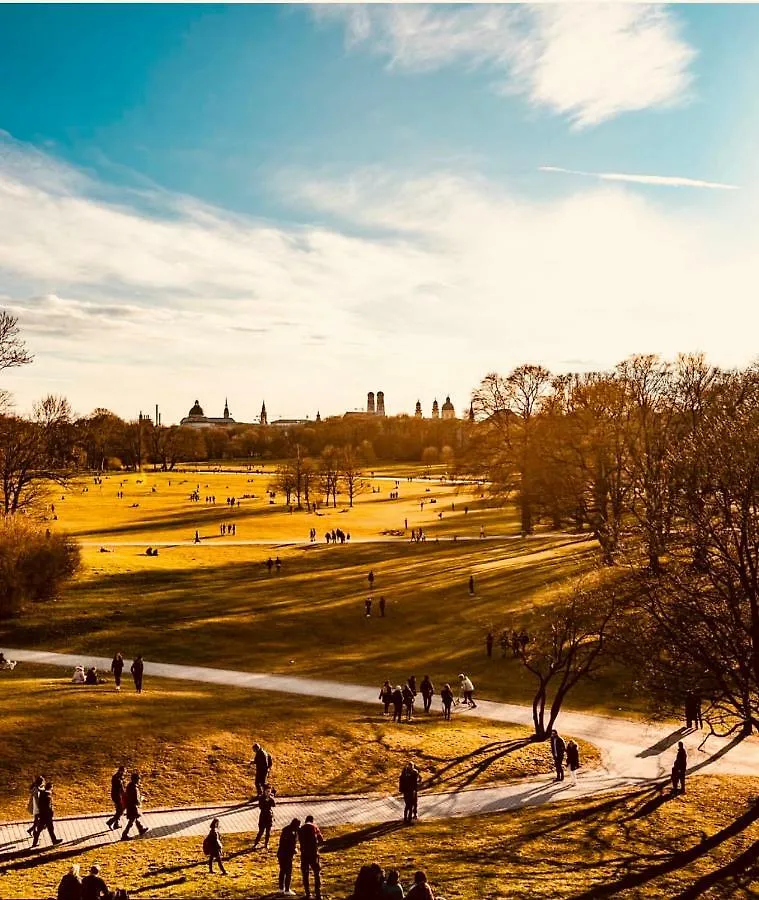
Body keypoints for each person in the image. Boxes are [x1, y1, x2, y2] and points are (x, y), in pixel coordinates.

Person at [298, 814, 324, 900]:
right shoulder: (314, 827)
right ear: (312, 820)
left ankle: (307, 893)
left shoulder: (301, 828)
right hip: (313, 854)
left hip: (304, 854)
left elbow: (299, 839)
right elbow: (321, 839)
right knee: (316, 873)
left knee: (305, 873)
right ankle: (318, 893)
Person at [32, 781, 63, 847]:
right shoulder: (48, 795)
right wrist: (51, 813)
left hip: (42, 814)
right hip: (47, 815)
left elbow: (40, 804)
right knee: (50, 828)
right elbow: (48, 806)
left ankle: (34, 843)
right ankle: (54, 840)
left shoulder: (42, 793)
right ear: (51, 787)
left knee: (40, 829)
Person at [121, 772, 149, 839]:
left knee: (135, 818)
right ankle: (124, 834)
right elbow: (135, 799)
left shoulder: (130, 786)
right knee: (131, 821)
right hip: (133, 807)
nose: (139, 780)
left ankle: (141, 829)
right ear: (136, 779)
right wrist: (141, 799)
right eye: (139, 779)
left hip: (131, 806)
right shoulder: (134, 788)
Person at [277, 817, 300, 896]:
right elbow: (290, 845)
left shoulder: (286, 830)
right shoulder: (292, 833)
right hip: (287, 855)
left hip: (281, 853)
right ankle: (287, 889)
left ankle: (281, 888)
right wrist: (294, 850)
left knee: (282, 871)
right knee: (288, 872)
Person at [253, 784, 276, 850]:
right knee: (261, 831)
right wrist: (266, 801)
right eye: (267, 791)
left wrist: (272, 799)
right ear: (264, 791)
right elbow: (260, 807)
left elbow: (274, 805)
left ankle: (266, 843)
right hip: (263, 816)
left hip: (269, 816)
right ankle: (256, 842)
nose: (268, 793)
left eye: (269, 791)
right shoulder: (261, 798)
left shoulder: (271, 798)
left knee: (268, 832)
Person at [106, 766, 126, 830]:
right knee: (120, 811)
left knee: (118, 810)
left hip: (116, 796)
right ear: (121, 771)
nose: (124, 773)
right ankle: (110, 822)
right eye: (124, 772)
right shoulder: (117, 779)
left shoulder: (117, 777)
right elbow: (121, 789)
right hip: (117, 796)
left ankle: (116, 824)